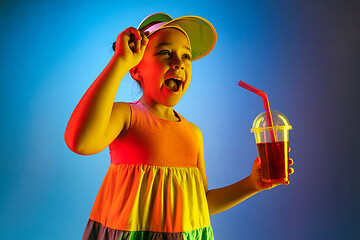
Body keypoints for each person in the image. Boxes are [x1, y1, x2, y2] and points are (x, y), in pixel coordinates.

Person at [65, 13, 294, 240]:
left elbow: (201, 203)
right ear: (136, 69)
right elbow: (80, 141)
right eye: (165, 52)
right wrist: (120, 62)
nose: (178, 63)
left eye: (186, 56)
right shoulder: (127, 116)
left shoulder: (193, 133)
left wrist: (252, 184)